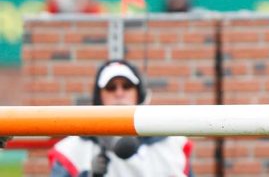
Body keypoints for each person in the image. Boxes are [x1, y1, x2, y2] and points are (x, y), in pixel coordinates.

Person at [48, 59, 194, 177]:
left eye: (127, 86)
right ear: (99, 97)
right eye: (111, 87)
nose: (119, 93)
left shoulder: (171, 145)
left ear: (139, 94)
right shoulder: (73, 149)